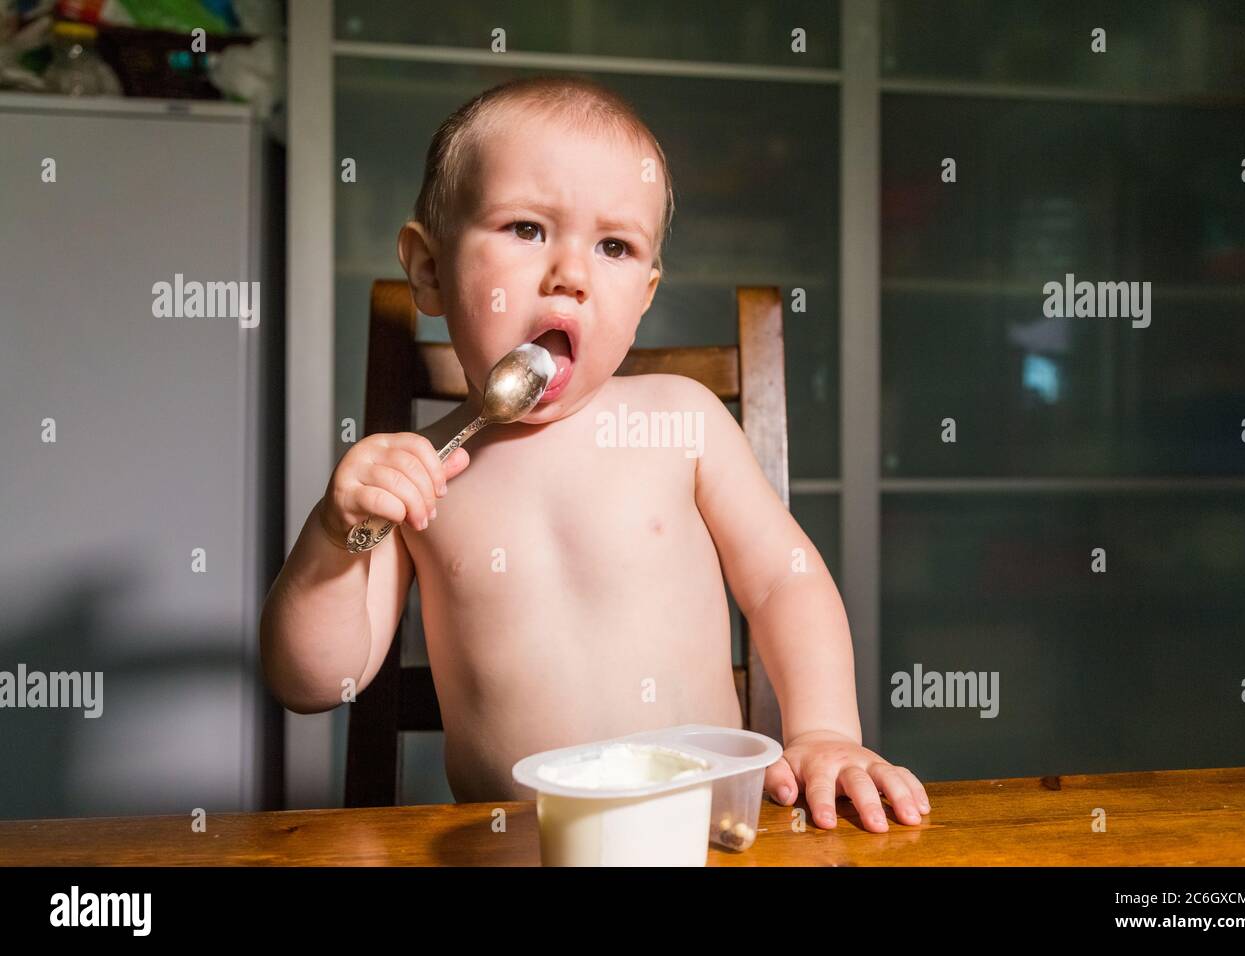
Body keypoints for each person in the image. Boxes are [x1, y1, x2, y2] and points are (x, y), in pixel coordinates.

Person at [260, 74, 930, 832]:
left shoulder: (682, 420)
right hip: (517, 847)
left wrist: (825, 733)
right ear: (430, 269)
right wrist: (332, 535)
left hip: (708, 835)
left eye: (613, 245)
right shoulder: (419, 472)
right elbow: (314, 681)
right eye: (525, 228)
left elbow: (786, 582)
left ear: (643, 297)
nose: (571, 275)